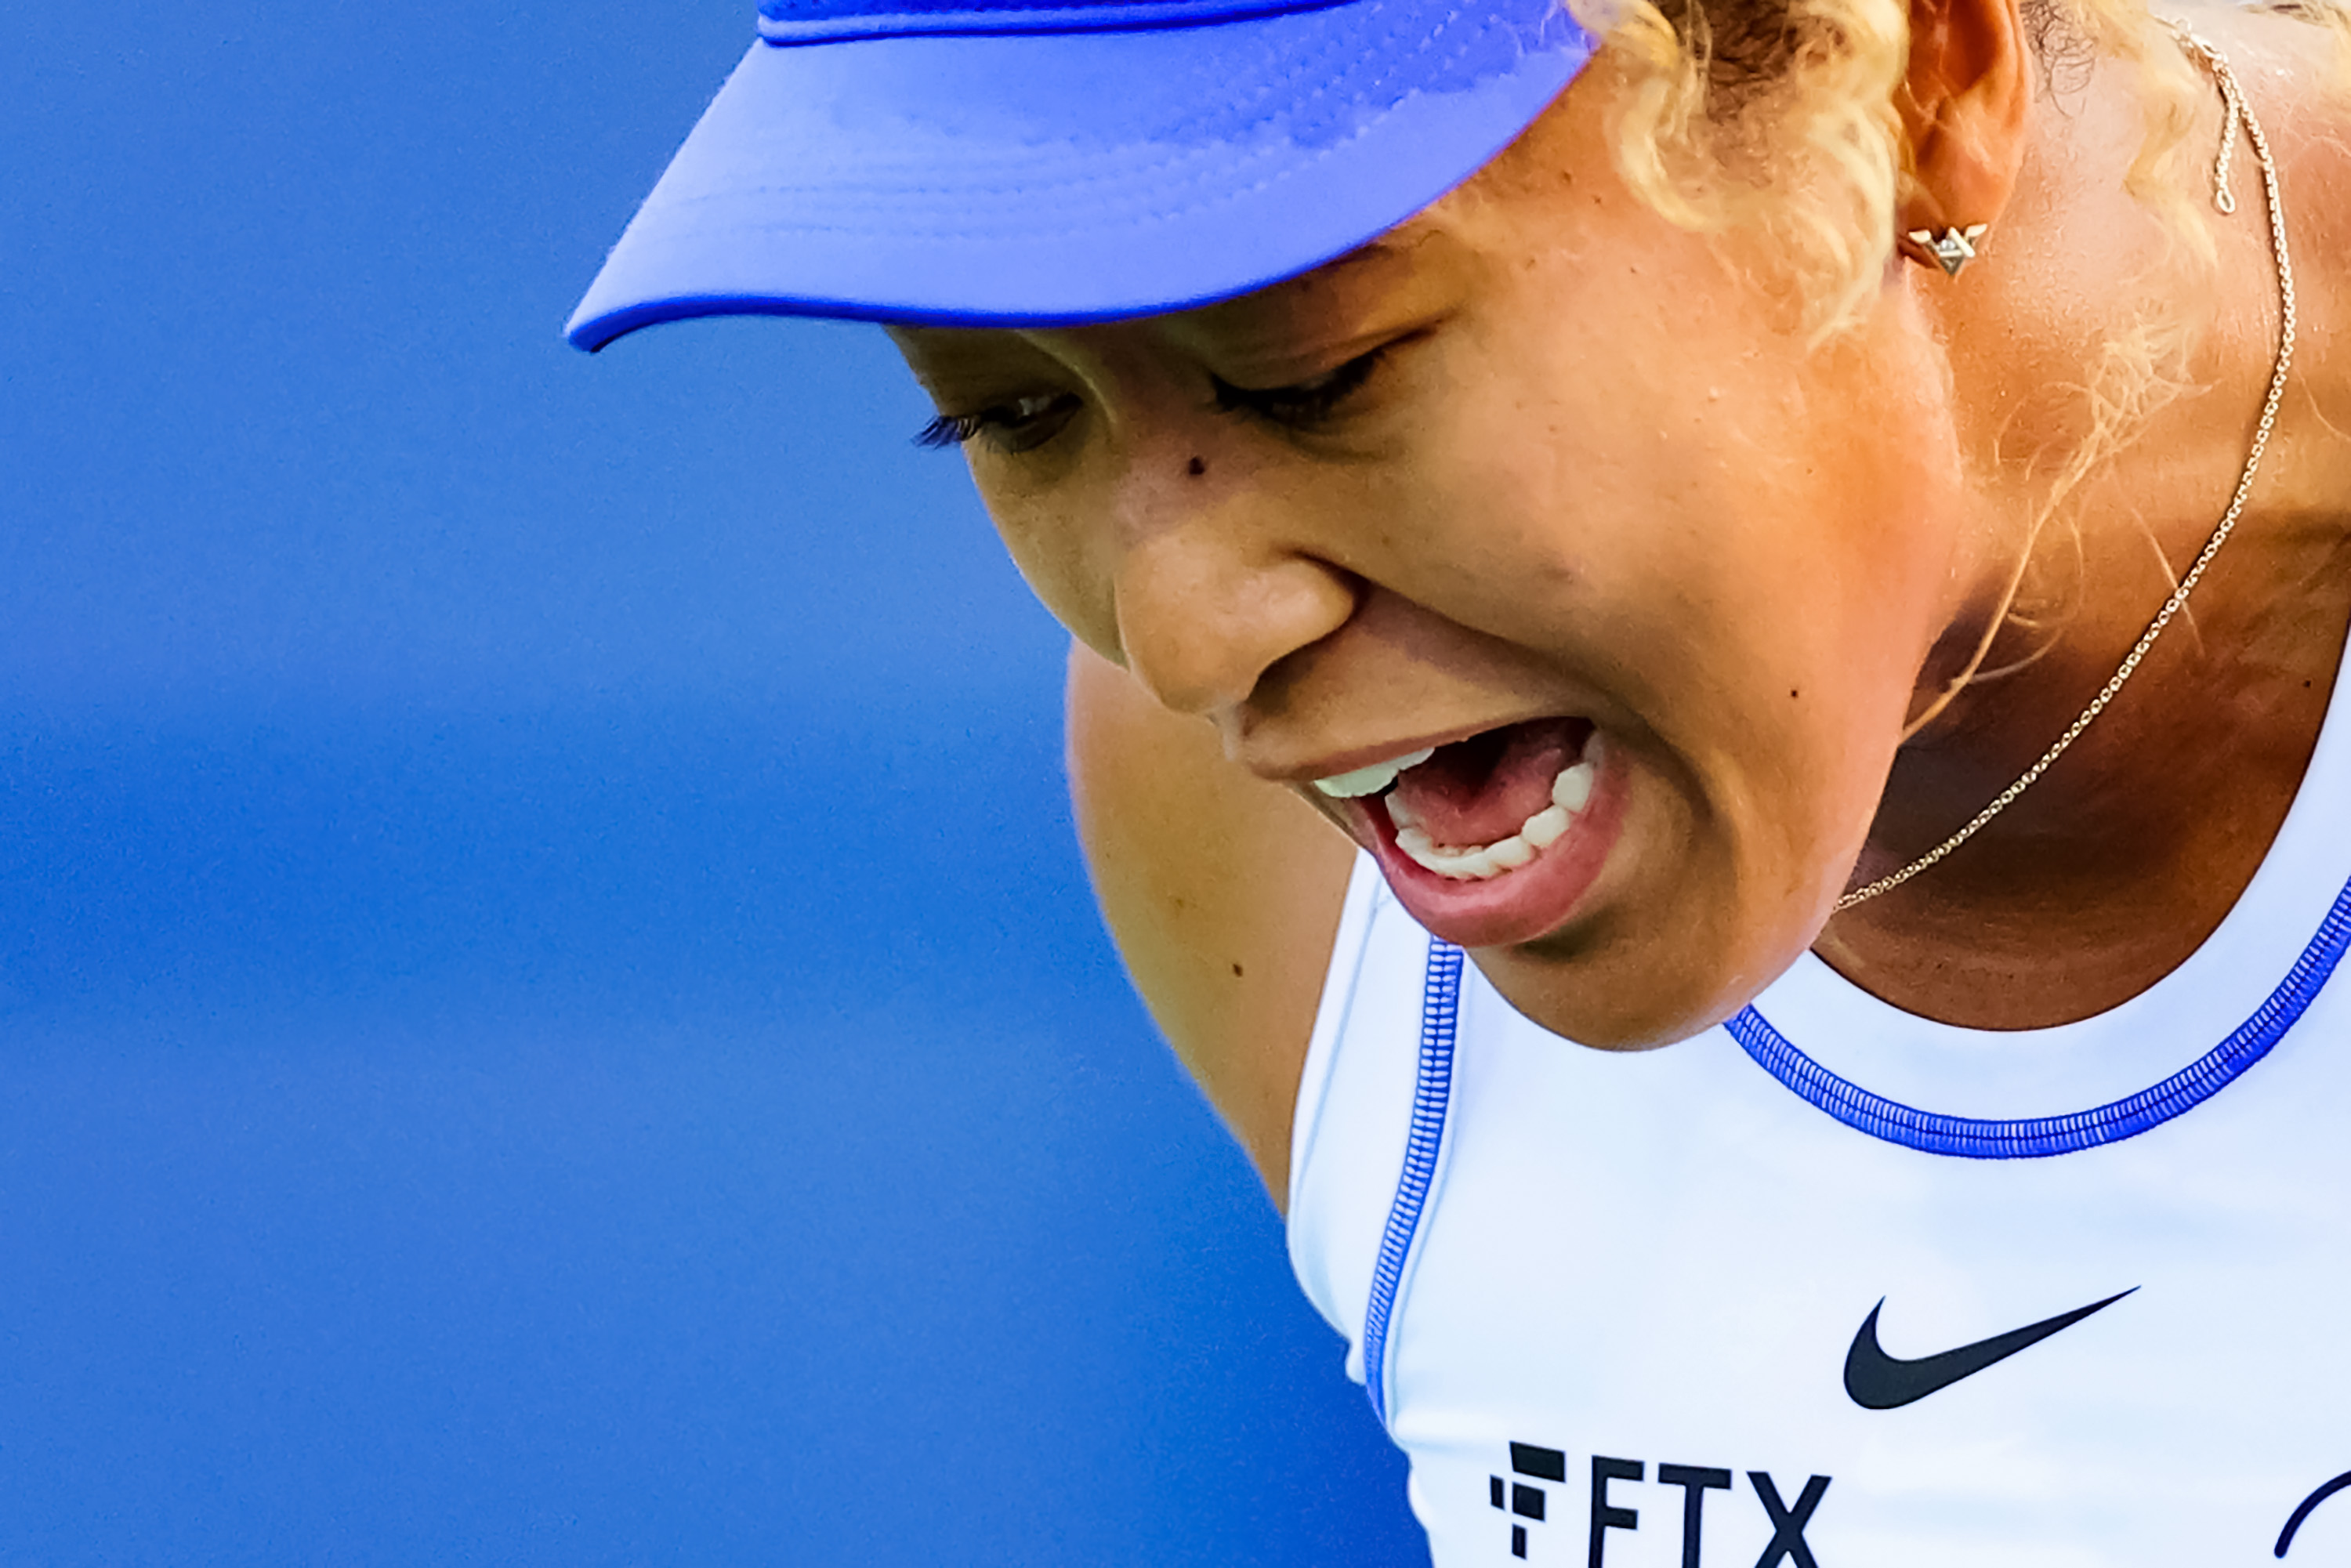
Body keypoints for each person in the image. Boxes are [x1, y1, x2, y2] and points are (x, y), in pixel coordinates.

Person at [570, 0, 2351, 1556]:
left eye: (1323, 373)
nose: (1187, 641)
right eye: (1012, 413)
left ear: (1912, 96)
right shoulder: (1268, 810)